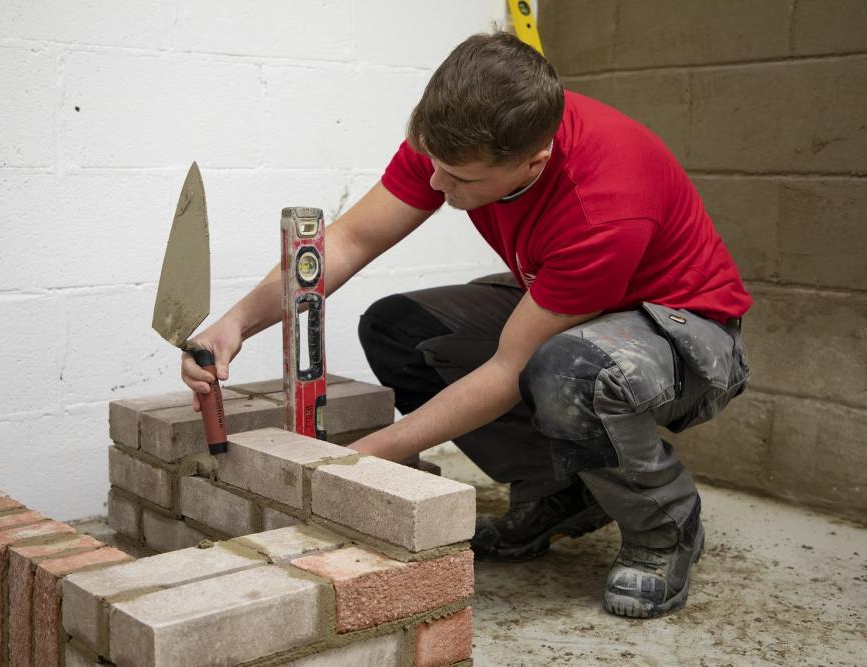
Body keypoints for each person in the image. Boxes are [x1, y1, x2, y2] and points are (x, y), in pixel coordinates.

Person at [181, 31, 751, 619]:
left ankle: (664, 527)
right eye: (432, 163)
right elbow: (349, 241)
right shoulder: (456, 134)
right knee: (399, 329)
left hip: (685, 335)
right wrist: (235, 324)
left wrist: (364, 458)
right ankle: (561, 492)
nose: (435, 184)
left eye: (458, 178)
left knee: (568, 371)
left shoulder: (603, 206)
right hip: (578, 309)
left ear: (533, 163)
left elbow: (509, 368)